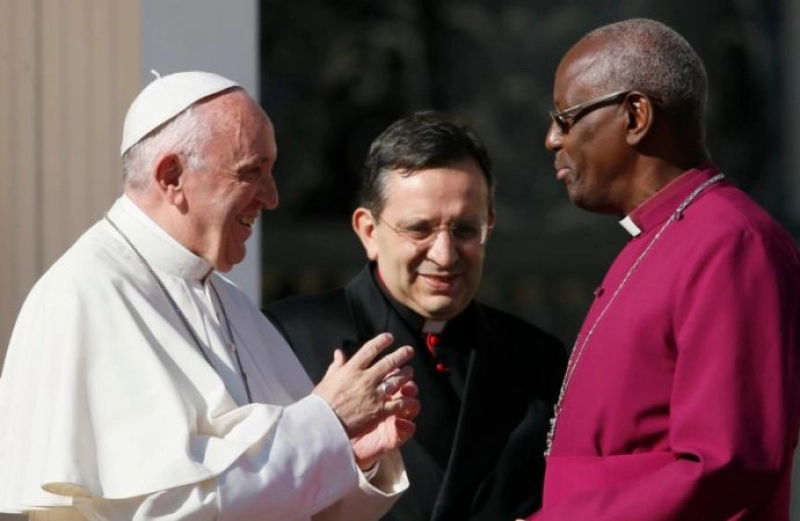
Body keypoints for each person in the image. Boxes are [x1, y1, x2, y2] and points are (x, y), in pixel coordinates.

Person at [0, 71, 422, 521]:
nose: (273, 197)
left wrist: (349, 454)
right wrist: (327, 423)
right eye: (251, 172)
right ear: (172, 177)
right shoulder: (84, 295)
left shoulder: (233, 303)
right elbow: (163, 508)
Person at [526, 18, 800, 520]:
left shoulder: (732, 244)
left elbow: (727, 465)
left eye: (566, 118)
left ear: (635, 115)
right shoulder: (655, 238)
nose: (551, 139)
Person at [263, 110, 568, 521]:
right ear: (369, 232)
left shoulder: (536, 358)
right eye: (420, 229)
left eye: (464, 229)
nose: (444, 255)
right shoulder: (287, 341)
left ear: (489, 226)